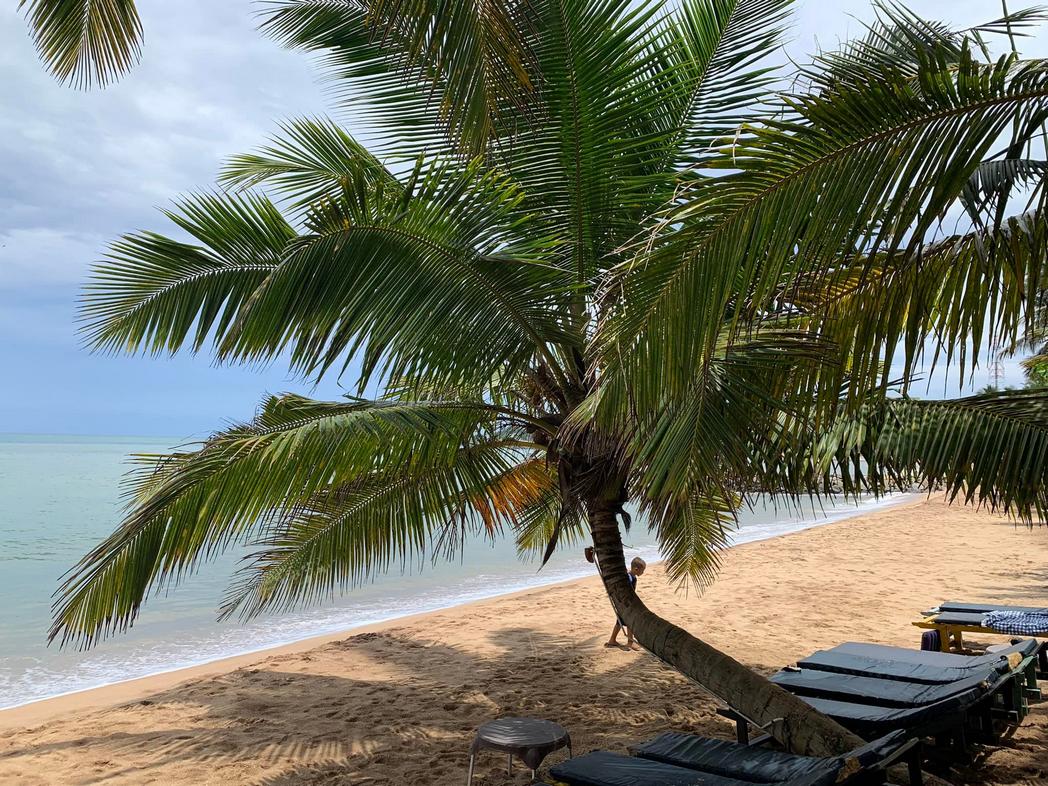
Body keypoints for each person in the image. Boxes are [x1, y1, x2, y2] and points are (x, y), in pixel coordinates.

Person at [604, 556, 646, 649]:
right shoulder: (629, 578)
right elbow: (626, 592)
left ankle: (612, 640)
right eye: (642, 571)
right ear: (636, 569)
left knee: (619, 622)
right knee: (629, 622)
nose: (643, 573)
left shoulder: (633, 577)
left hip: (625, 604)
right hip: (625, 604)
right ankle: (630, 642)